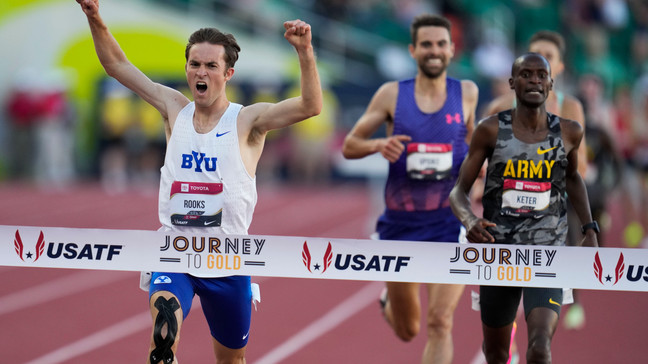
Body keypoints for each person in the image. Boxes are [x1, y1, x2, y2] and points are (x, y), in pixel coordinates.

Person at [76, 1, 322, 363]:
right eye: (194, 64)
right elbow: (117, 65)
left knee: (231, 360)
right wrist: (95, 17)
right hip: (174, 253)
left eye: (210, 65)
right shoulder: (173, 107)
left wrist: (304, 52)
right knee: (164, 333)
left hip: (228, 261)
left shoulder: (247, 120)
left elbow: (310, 106)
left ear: (228, 73)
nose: (200, 72)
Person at [342, 14, 478, 364]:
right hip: (400, 227)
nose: (434, 51)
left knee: (440, 321)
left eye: (441, 44)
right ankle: (390, 301)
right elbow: (350, 144)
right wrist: (378, 145)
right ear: (413, 50)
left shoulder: (466, 93)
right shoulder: (391, 94)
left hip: (450, 225)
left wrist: (481, 176)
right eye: (427, 45)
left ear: (451, 49)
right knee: (407, 330)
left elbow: (474, 145)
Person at [449, 53, 599, 364]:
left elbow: (572, 178)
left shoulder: (569, 132)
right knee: (496, 354)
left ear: (550, 84)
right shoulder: (490, 130)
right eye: (526, 75)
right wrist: (469, 220)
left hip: (548, 252)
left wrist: (589, 227)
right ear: (512, 83)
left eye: (540, 75)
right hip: (499, 253)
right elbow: (458, 192)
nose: (534, 81)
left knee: (540, 348)